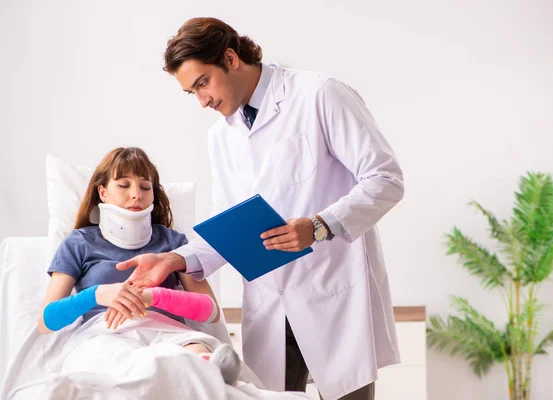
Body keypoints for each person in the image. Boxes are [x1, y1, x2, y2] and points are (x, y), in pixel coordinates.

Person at [117, 18, 405, 400]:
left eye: (203, 82)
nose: (202, 100)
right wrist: (175, 259)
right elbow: (228, 226)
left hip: (332, 291)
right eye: (192, 92)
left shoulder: (318, 94)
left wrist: (319, 226)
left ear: (231, 58)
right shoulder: (221, 136)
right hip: (269, 302)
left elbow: (385, 179)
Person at [37, 147, 241, 385]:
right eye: (124, 185)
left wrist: (152, 297)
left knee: (193, 351)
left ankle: (206, 369)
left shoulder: (173, 242)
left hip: (169, 333)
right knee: (120, 364)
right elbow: (46, 321)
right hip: (104, 335)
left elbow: (211, 310)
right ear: (102, 192)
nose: (136, 195)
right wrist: (97, 295)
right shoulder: (79, 242)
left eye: (145, 187)